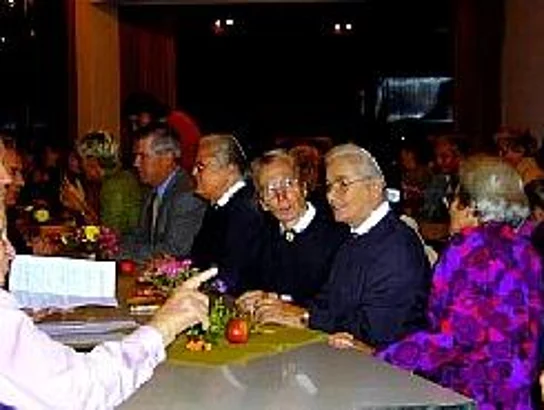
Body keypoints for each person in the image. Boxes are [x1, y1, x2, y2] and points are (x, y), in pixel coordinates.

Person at [0, 135, 216, 409]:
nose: (11, 252)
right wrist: (164, 326)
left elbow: (126, 240)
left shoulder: (130, 187)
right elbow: (81, 390)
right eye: (1, 239)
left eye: (142, 156)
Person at [330, 155, 543, 409]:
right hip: (518, 394)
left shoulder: (469, 249)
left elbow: (455, 337)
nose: (449, 207)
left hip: (472, 395)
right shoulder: (526, 251)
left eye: (452, 199)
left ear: (471, 206)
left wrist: (379, 356)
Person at [251, 144, 431, 348]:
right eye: (329, 186)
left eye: (343, 184)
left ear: (374, 188)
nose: (331, 196)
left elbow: (376, 333)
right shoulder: (356, 237)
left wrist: (305, 317)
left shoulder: (396, 246)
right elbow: (328, 303)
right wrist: (277, 306)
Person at [237, 149, 347, 309]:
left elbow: (336, 301)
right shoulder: (260, 237)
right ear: (263, 203)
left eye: (288, 184)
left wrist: (284, 303)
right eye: (271, 189)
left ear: (303, 188)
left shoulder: (338, 235)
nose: (281, 196)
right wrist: (253, 297)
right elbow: (245, 282)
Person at [190, 134, 265, 294]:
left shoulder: (245, 211)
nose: (193, 172)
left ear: (230, 170)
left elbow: (232, 276)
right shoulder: (219, 205)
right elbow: (200, 259)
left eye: (201, 166)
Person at [121, 124, 206, 261]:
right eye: (136, 156)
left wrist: (122, 251)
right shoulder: (152, 189)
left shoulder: (187, 194)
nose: (136, 163)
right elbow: (140, 235)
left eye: (143, 156)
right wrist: (111, 244)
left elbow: (174, 250)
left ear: (167, 158)